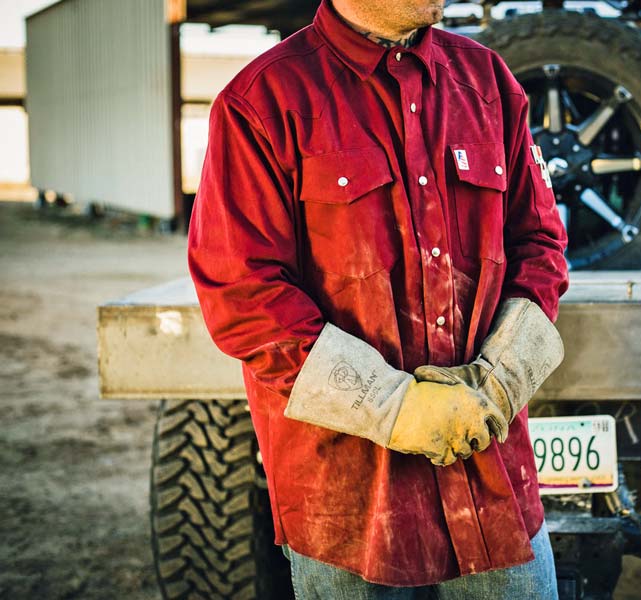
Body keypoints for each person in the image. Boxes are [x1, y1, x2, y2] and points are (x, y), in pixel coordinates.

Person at [187, 0, 569, 597]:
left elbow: (541, 244)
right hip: (347, 504)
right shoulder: (262, 102)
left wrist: (496, 387)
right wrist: (396, 407)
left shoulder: (489, 84)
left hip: (491, 482)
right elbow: (243, 292)